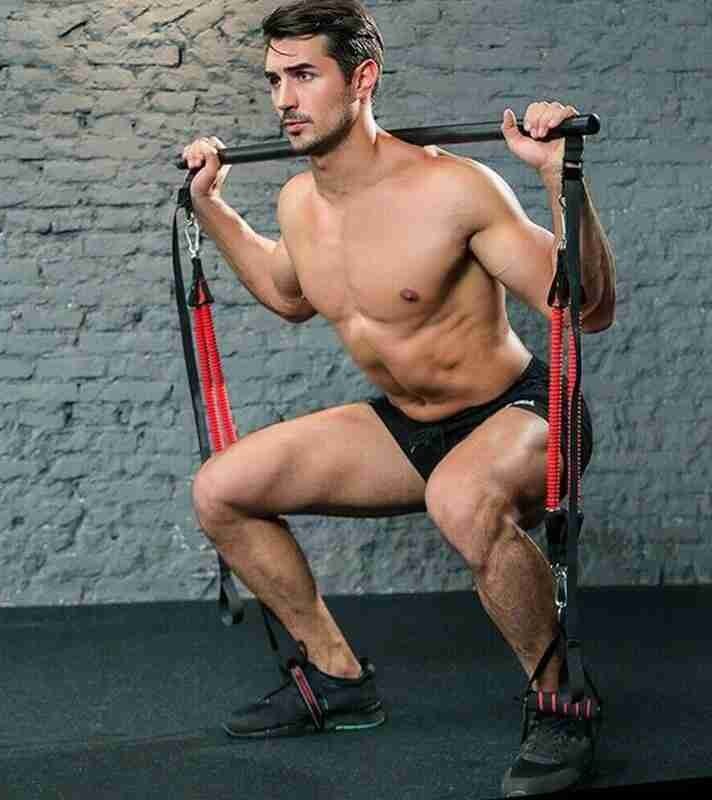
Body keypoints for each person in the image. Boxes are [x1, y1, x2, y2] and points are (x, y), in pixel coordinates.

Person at [181, 0, 616, 795]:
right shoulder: (299, 206)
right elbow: (287, 292)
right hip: (411, 427)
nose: (283, 98)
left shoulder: (453, 190)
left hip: (520, 413)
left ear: (362, 80)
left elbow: (586, 307)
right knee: (221, 489)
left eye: (305, 75)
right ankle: (337, 674)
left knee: (461, 495)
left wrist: (560, 181)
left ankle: (562, 699)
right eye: (275, 78)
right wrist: (211, 207)